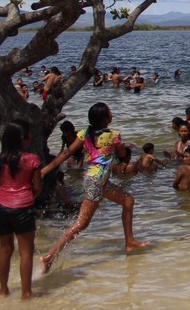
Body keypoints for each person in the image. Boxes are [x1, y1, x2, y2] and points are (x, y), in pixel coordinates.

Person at [39, 102, 149, 272]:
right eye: (110, 112)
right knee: (81, 223)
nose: (112, 113)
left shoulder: (85, 133)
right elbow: (121, 154)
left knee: (128, 201)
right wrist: (122, 148)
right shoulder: (114, 135)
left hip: (97, 180)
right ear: (105, 119)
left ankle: (129, 242)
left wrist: (45, 170)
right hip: (97, 181)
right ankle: (49, 257)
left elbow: (66, 153)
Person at [0, 120, 41, 299]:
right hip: (22, 208)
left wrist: (4, 184)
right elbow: (37, 188)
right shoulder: (32, 159)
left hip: (1, 208)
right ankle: (26, 293)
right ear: (22, 139)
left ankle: (3, 290)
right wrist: (26, 192)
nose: (31, 137)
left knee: (5, 249)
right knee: (26, 252)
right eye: (29, 134)